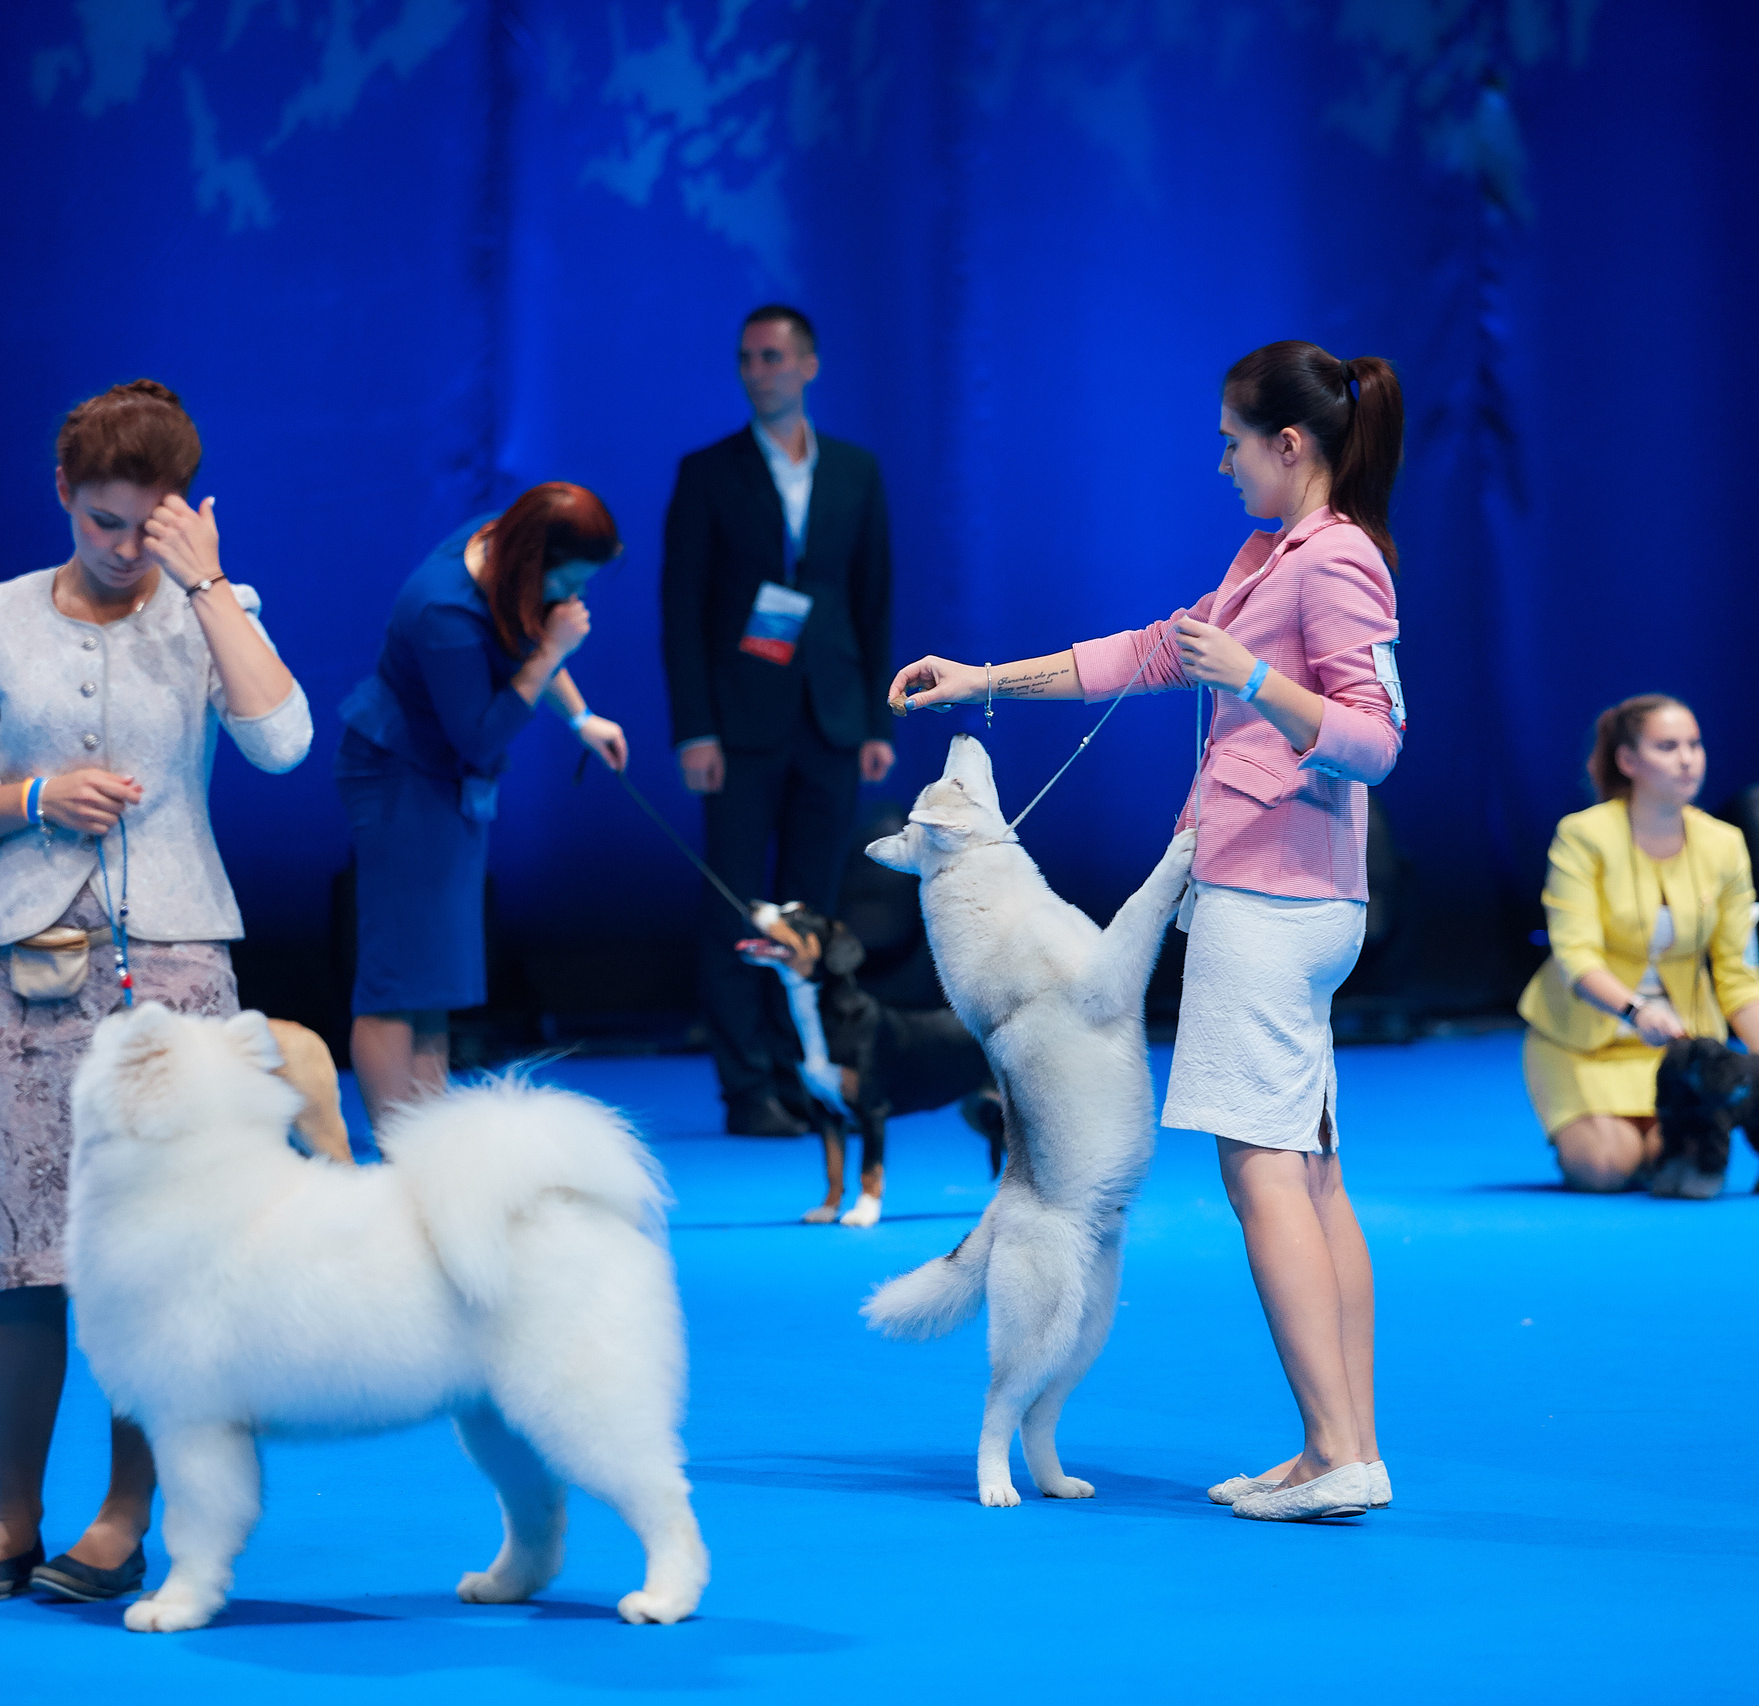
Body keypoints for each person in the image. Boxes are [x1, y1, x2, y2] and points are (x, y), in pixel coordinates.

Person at [887, 340, 1404, 1523]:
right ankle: (1341, 1441)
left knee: (1263, 1170)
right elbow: (1151, 652)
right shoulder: (1271, 553)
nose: (1217, 461)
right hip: (1289, 897)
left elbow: (1376, 739)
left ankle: (1336, 1449)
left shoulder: (1337, 562)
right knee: (1314, 1174)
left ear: (1289, 445)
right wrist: (983, 681)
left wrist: (1259, 686)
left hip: (1275, 901)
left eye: (1231, 441)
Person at [0, 379, 311, 1602]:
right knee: (22, 1262)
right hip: (21, 981)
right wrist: (32, 797)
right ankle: (10, 1517)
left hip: (177, 975)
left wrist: (206, 586)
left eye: (147, 522)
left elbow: (281, 741)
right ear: (61, 498)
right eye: (102, 522)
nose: (124, 544)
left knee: (168, 1264)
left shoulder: (208, 610)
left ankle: (126, 1512)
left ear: (181, 511)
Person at [661, 305, 896, 1135]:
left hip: (832, 721)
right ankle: (745, 1086)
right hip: (737, 724)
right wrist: (694, 729)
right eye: (746, 359)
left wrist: (877, 722)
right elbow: (680, 612)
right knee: (735, 907)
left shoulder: (856, 473)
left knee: (811, 912)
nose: (757, 371)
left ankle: (804, 1076)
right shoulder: (708, 473)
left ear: (810, 365)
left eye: (773, 356)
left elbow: (872, 602)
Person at [336, 483, 629, 1120]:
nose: (573, 598)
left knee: (432, 982)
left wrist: (582, 719)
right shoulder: (441, 608)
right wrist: (554, 650)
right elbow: (479, 736)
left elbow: (526, 630)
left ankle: (429, 1149)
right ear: (536, 561)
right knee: (394, 986)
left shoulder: (508, 543)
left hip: (447, 785)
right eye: (569, 581)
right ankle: (400, 1160)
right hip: (400, 782)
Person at [1516, 695, 1759, 1190]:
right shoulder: (1582, 836)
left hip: (1683, 1051)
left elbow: (1738, 972)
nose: (1687, 759)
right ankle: (1600, 1134)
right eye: (1667, 746)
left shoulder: (1725, 844)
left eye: (1694, 745)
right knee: (1608, 1168)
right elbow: (1576, 956)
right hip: (1584, 1044)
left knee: (1684, 1164)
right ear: (1628, 761)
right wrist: (1638, 1011)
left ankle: (1652, 1134)